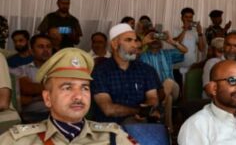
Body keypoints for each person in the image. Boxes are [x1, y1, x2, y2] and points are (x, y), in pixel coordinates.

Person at [0, 48, 136, 145]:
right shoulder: (17, 140)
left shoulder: (114, 137)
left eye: (85, 87)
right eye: (67, 87)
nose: (78, 96)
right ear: (47, 98)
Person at [90, 25, 164, 145]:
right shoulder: (100, 72)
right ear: (114, 44)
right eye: (128, 40)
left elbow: (152, 97)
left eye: (135, 40)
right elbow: (108, 109)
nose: (135, 45)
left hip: (140, 125)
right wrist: (138, 111)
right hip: (109, 130)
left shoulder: (146, 70)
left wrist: (147, 111)